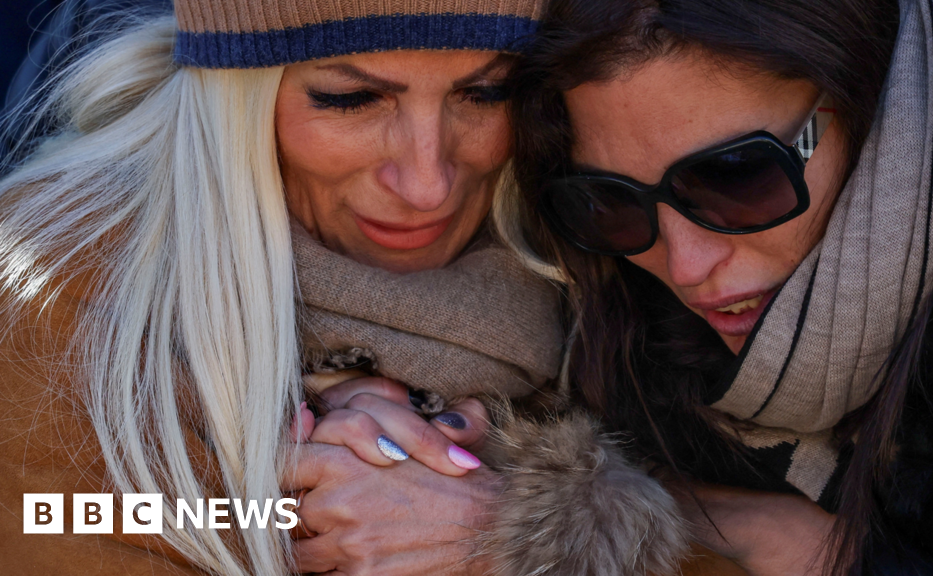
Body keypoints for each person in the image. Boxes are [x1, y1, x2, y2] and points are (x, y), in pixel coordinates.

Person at [0, 1, 696, 575]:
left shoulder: (601, 243)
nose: (429, 183)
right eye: (351, 98)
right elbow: (61, 514)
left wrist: (530, 518)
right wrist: (291, 514)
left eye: (485, 93)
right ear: (240, 93)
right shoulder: (66, 275)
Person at [505, 0, 933, 573]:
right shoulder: (602, 350)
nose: (685, 265)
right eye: (609, 203)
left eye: (734, 176)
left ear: (874, 110)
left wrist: (817, 554)